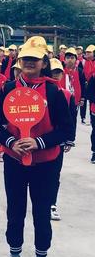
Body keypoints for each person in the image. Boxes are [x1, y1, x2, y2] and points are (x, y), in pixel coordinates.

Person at [0, 36, 73, 257]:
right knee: (15, 210)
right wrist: (11, 142)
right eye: (25, 58)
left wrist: (39, 142)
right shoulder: (7, 89)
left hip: (46, 162)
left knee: (41, 212)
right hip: (15, 160)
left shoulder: (54, 92)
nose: (29, 63)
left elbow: (66, 130)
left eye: (35, 59)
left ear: (43, 62)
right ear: (19, 61)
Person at [49, 58, 76, 221]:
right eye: (53, 72)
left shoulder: (66, 95)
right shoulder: (40, 92)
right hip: (41, 140)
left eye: (58, 72)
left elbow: (71, 118)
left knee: (55, 174)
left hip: (58, 141)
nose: (55, 75)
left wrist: (69, 139)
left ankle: (52, 204)